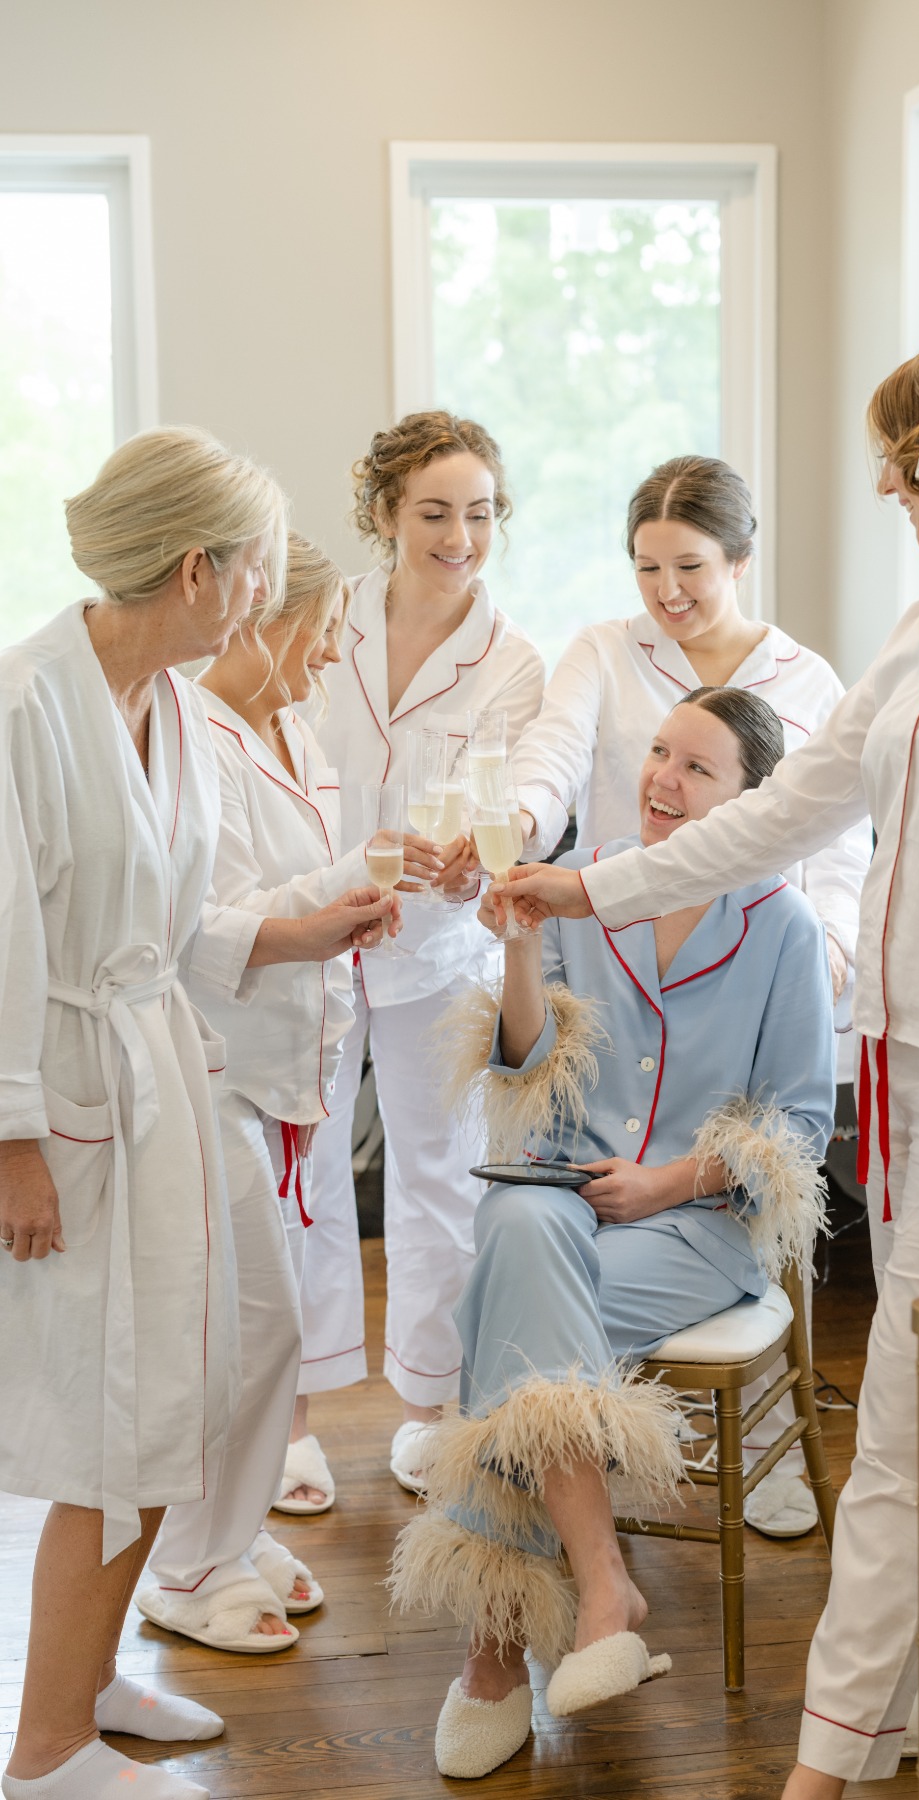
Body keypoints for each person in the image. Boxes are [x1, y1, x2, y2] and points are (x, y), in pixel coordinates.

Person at [494, 324, 919, 1797]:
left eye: (901, 449)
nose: (883, 476)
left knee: (897, 1433)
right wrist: (594, 886)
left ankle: (827, 1766)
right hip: (901, 1077)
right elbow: (796, 803)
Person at [0, 432, 397, 1800]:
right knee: (115, 1419)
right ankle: (45, 1750)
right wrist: (13, 1145)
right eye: (258, 573)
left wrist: (314, 925)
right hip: (69, 1108)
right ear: (197, 571)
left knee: (184, 1386)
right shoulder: (24, 706)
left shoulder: (164, 706)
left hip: (167, 1071)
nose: (269, 599)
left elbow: (179, 928)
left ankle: (93, 1678)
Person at [392, 685, 835, 1780]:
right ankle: (603, 1587)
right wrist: (521, 950)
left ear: (752, 802)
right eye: (656, 753)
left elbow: (802, 1125)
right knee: (523, 1237)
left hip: (692, 1229)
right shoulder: (589, 891)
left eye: (697, 768)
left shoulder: (780, 925)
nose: (661, 781)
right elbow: (526, 1075)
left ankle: (493, 1652)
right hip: (553, 1191)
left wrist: (669, 1180)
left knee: (508, 1299)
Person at [508, 454, 870, 1534]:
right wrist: (521, 843)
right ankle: (582, 1478)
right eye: (646, 567)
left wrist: (818, 951)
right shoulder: (602, 655)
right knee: (544, 1215)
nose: (668, 592)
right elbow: (552, 760)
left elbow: (837, 836)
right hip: (622, 941)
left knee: (740, 1169)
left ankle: (760, 1437)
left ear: (743, 559)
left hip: (754, 951)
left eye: (692, 568)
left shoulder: (809, 681)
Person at [134, 532, 394, 1652]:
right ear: (270, 618)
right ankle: (188, 1566)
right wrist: (342, 901)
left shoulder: (289, 725)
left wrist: (368, 878)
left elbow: (298, 883)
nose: (336, 654)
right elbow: (200, 927)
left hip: (285, 1069)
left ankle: (227, 1536)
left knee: (263, 1329)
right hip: (219, 1065)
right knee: (247, 1331)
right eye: (329, 629)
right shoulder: (190, 739)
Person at [280, 411, 544, 1511]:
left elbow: (516, 814)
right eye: (435, 512)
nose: (459, 536)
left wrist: (470, 870)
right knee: (302, 1172)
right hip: (310, 939)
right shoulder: (313, 620)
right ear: (386, 513)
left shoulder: (514, 663)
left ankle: (428, 1412)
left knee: (441, 1182)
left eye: (479, 514)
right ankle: (287, 1420)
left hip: (437, 951)